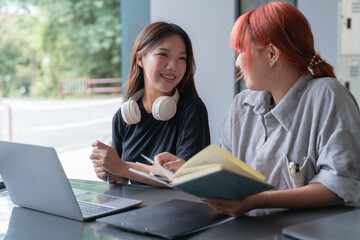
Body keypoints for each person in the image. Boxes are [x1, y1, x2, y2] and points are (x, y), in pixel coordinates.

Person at [155, 1, 360, 216]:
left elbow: (341, 185)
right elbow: (228, 172)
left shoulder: (328, 96)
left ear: (272, 54)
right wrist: (189, 169)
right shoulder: (242, 104)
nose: (237, 62)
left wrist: (257, 200)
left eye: (241, 51)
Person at [90, 22, 210, 185]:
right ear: (140, 59)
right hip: (134, 208)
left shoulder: (192, 109)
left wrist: (121, 167)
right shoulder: (123, 117)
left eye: (181, 58)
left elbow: (185, 178)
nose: (173, 66)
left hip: (177, 208)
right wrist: (109, 171)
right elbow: (119, 177)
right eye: (163, 55)